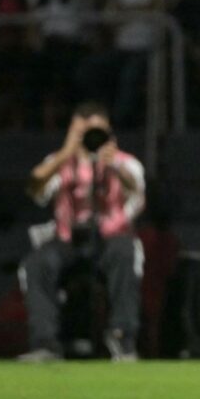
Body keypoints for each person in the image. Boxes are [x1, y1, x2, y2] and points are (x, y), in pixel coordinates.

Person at [18, 102, 146, 362]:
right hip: (68, 240)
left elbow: (137, 192)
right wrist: (67, 152)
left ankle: (123, 338)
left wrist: (113, 166)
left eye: (96, 132)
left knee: (126, 252)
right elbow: (34, 186)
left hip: (110, 239)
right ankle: (46, 344)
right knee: (37, 263)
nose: (91, 138)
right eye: (84, 133)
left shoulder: (125, 163)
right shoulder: (59, 161)